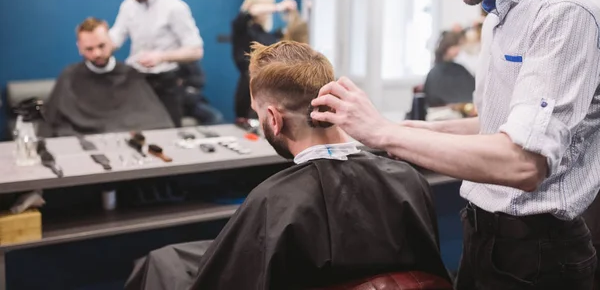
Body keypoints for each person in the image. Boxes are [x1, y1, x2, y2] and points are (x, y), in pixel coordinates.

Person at [310, 0, 600, 289]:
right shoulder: (500, 14)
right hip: (483, 235)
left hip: (539, 254)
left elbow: (523, 163)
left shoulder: (561, 12)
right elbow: (493, 126)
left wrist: (385, 132)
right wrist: (390, 130)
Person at [125, 41, 450, 290]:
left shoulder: (273, 201)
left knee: (158, 264)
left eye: (257, 112)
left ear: (273, 119)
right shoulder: (407, 178)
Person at [109, 0, 204, 127]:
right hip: (137, 82)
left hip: (166, 84)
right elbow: (115, 38)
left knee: (168, 136)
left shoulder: (175, 7)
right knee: (133, 131)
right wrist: (98, 44)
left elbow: (195, 50)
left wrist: (161, 56)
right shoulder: (128, 6)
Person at [39, 18, 173, 137]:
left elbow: (156, 119)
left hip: (126, 142)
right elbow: (52, 123)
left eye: (101, 46)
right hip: (84, 143)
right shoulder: (69, 76)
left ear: (111, 42)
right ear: (79, 48)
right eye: (89, 49)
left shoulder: (129, 74)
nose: (96, 53)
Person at [231, 0, 297, 122]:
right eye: (266, 6)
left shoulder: (266, 34)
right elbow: (252, 11)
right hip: (250, 89)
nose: (268, 11)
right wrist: (279, 6)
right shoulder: (241, 26)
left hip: (270, 89)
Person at [424, 30, 475, 107]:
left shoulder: (459, 69)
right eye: (456, 46)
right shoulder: (436, 73)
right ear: (447, 47)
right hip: (441, 111)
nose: (458, 49)